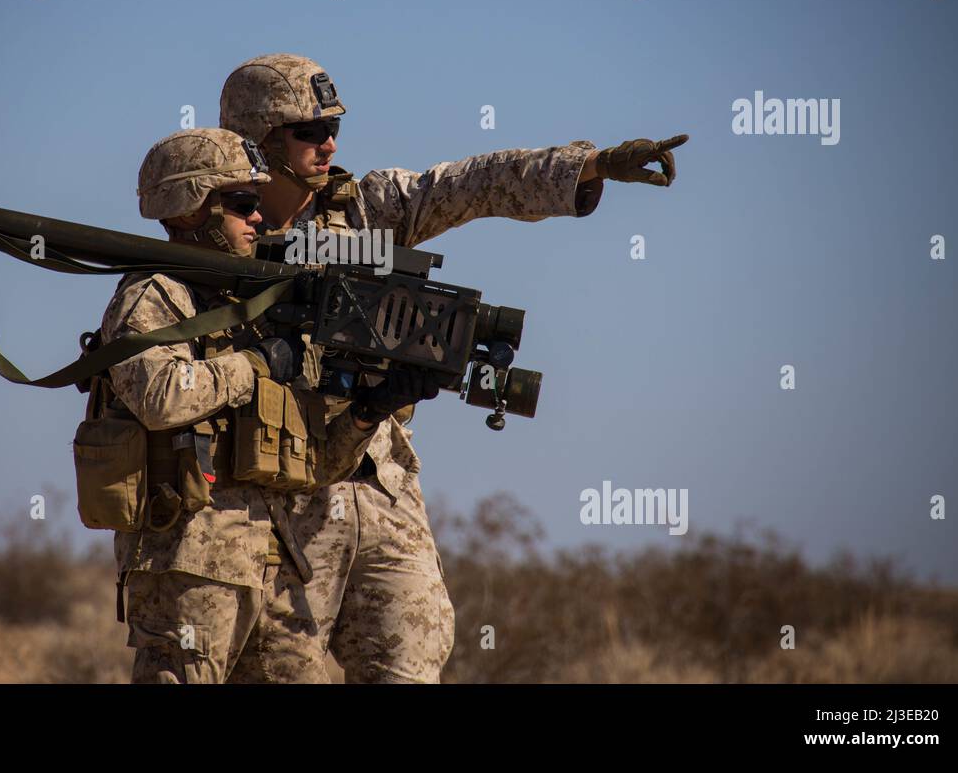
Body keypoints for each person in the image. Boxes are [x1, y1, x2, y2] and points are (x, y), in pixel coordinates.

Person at [219, 54, 688, 682]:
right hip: (281, 502)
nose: (328, 140)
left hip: (381, 487)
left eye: (333, 126)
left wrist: (593, 164)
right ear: (260, 137)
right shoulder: (215, 240)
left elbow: (474, 183)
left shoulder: (368, 211)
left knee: (412, 668)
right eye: (309, 129)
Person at [98, 127, 434, 683]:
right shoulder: (154, 295)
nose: (259, 218)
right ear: (189, 210)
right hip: (189, 566)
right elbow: (160, 397)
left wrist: (368, 413)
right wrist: (255, 365)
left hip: (276, 566)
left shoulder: (251, 311)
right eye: (242, 204)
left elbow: (313, 466)